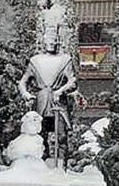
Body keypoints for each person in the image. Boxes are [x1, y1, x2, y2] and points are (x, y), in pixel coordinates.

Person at [18, 29, 77, 163]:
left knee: (61, 135)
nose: (51, 42)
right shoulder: (35, 61)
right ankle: (40, 164)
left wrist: (61, 90)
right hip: (41, 101)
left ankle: (61, 164)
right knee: (39, 134)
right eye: (48, 39)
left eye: (54, 39)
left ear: (58, 41)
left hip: (58, 103)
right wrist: (26, 94)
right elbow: (23, 81)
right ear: (43, 41)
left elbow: (73, 81)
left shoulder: (65, 60)